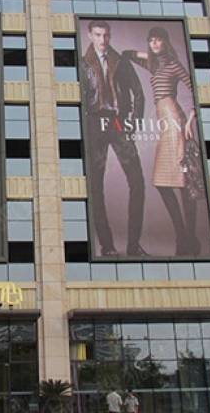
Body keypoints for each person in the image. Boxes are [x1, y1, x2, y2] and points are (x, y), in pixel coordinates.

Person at [124, 26, 201, 256]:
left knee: (183, 182)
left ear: (166, 42)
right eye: (152, 40)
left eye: (159, 40)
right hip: (164, 123)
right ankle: (184, 237)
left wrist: (191, 120)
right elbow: (128, 54)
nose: (155, 44)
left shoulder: (173, 64)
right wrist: (149, 53)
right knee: (163, 182)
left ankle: (187, 239)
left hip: (175, 120)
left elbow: (197, 89)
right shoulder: (154, 65)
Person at [81, 20, 147, 257]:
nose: (103, 40)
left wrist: (133, 123)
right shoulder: (82, 64)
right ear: (90, 35)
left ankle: (133, 246)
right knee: (95, 185)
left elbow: (139, 94)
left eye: (106, 35)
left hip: (118, 122)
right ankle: (107, 246)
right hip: (94, 123)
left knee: (137, 182)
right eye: (98, 35)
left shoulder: (121, 61)